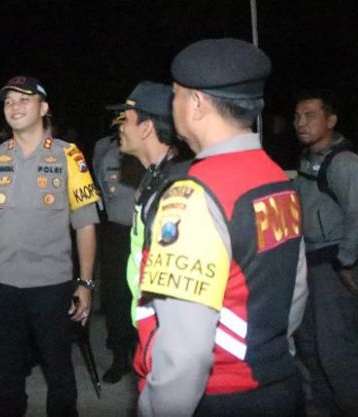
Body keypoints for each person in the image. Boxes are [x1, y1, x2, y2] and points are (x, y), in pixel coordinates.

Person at [134, 38, 308, 417]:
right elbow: (292, 296)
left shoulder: (193, 197)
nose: (172, 105)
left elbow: (184, 353)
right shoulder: (276, 178)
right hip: (278, 385)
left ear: (196, 104)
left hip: (219, 397)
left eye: (176, 95)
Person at [0, 76, 99, 417]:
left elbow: (85, 224)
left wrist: (84, 283)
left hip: (53, 287)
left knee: (59, 373)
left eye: (25, 99)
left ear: (44, 107)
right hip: (5, 288)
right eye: (9, 101)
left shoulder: (69, 156)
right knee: (8, 375)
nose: (15, 106)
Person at [293, 89, 358, 416]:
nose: (300, 122)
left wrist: (346, 261)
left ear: (331, 120)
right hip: (312, 264)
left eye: (310, 115)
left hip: (334, 266)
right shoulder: (309, 162)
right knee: (311, 347)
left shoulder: (344, 162)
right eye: (297, 116)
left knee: (338, 352)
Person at [107, 81, 188, 331]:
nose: (120, 127)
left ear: (146, 128)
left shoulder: (175, 188)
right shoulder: (155, 177)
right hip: (151, 325)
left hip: (166, 329)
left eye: (126, 120)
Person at [90, 112, 140, 384]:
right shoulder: (104, 147)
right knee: (116, 296)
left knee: (145, 296)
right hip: (116, 231)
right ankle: (120, 357)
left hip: (146, 231)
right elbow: (99, 182)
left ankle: (144, 350)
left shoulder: (147, 147)